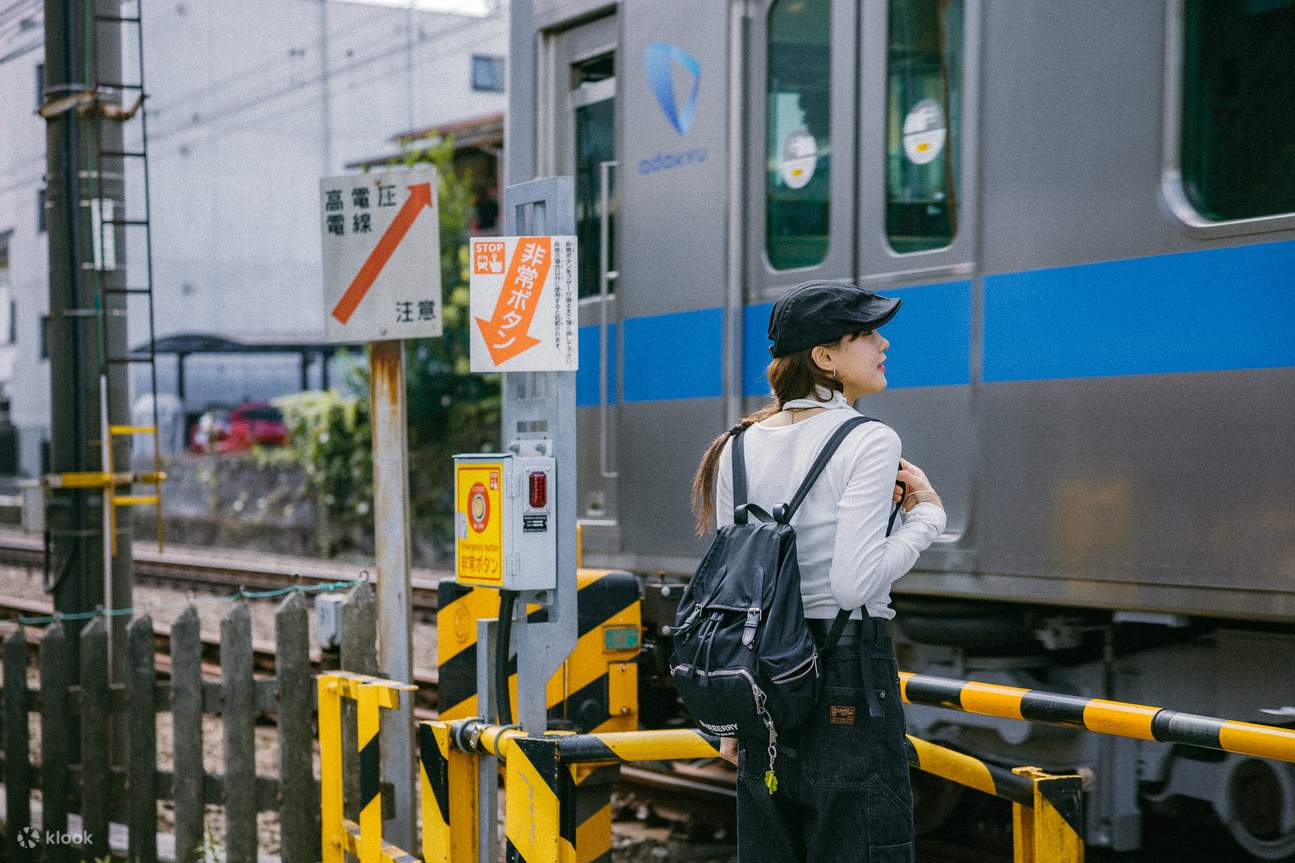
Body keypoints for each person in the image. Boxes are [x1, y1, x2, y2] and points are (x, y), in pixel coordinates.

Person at [690, 280, 947, 862]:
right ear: (825, 358)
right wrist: (927, 516)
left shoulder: (735, 444)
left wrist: (733, 721)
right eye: (866, 334)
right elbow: (855, 585)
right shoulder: (869, 440)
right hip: (845, 670)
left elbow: (737, 589)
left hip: (761, 678)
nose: (883, 344)